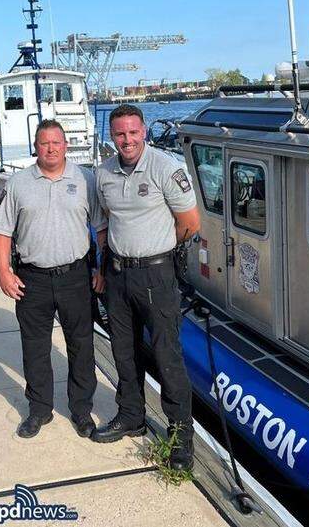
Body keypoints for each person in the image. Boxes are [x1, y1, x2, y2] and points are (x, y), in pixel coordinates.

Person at [90, 104, 201, 473]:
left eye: (133, 132)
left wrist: (159, 255)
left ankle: (181, 438)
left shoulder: (165, 169)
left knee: (167, 357)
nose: (127, 140)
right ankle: (131, 416)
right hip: (118, 275)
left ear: (144, 132)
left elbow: (189, 223)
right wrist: (105, 264)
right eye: (120, 134)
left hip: (155, 274)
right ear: (112, 136)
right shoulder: (103, 172)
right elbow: (104, 220)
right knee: (123, 351)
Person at [0, 119, 107, 439]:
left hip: (75, 276)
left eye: (57, 142)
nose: (51, 148)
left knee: (81, 346)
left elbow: (100, 229)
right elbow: (2, 232)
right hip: (33, 278)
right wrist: (4, 272)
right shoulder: (18, 183)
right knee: (35, 347)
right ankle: (39, 409)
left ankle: (81, 410)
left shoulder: (86, 180)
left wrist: (102, 268)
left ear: (66, 145)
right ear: (36, 147)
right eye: (44, 143)